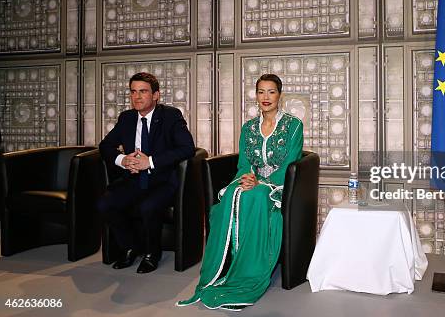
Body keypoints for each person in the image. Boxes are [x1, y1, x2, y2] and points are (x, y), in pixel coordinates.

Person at [177, 73, 303, 310]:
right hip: (250, 180)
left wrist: (262, 183)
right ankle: (219, 273)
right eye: (261, 92)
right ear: (256, 95)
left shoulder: (293, 125)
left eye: (271, 92)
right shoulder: (248, 128)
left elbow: (290, 163)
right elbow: (244, 163)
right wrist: (247, 177)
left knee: (255, 195)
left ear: (280, 95)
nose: (266, 97)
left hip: (279, 186)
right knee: (230, 198)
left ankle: (247, 274)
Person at [97, 72, 195, 273]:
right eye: (133, 92)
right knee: (105, 203)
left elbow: (187, 148)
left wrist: (149, 162)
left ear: (156, 95)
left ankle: (152, 254)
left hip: (162, 180)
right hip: (133, 179)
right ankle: (130, 247)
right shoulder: (127, 118)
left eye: (143, 91)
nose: (137, 97)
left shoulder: (170, 116)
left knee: (148, 206)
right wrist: (123, 160)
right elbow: (105, 145)